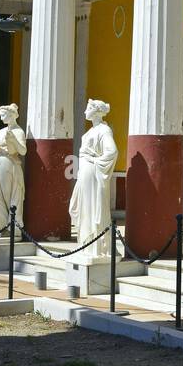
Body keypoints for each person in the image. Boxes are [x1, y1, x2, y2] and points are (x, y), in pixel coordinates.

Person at [69, 100, 117, 258]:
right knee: (77, 207)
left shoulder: (104, 130)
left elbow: (112, 151)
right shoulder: (92, 130)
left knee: (90, 207)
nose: (84, 112)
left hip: (91, 171)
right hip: (84, 171)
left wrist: (95, 162)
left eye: (88, 109)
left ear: (96, 111)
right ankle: (86, 244)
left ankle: (94, 248)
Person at [0, 104, 26, 235]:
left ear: (12, 115)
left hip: (11, 165)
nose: (2, 118)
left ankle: (13, 228)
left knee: (11, 198)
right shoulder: (1, 132)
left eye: (4, 115)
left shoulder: (19, 132)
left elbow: (23, 151)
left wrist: (13, 140)